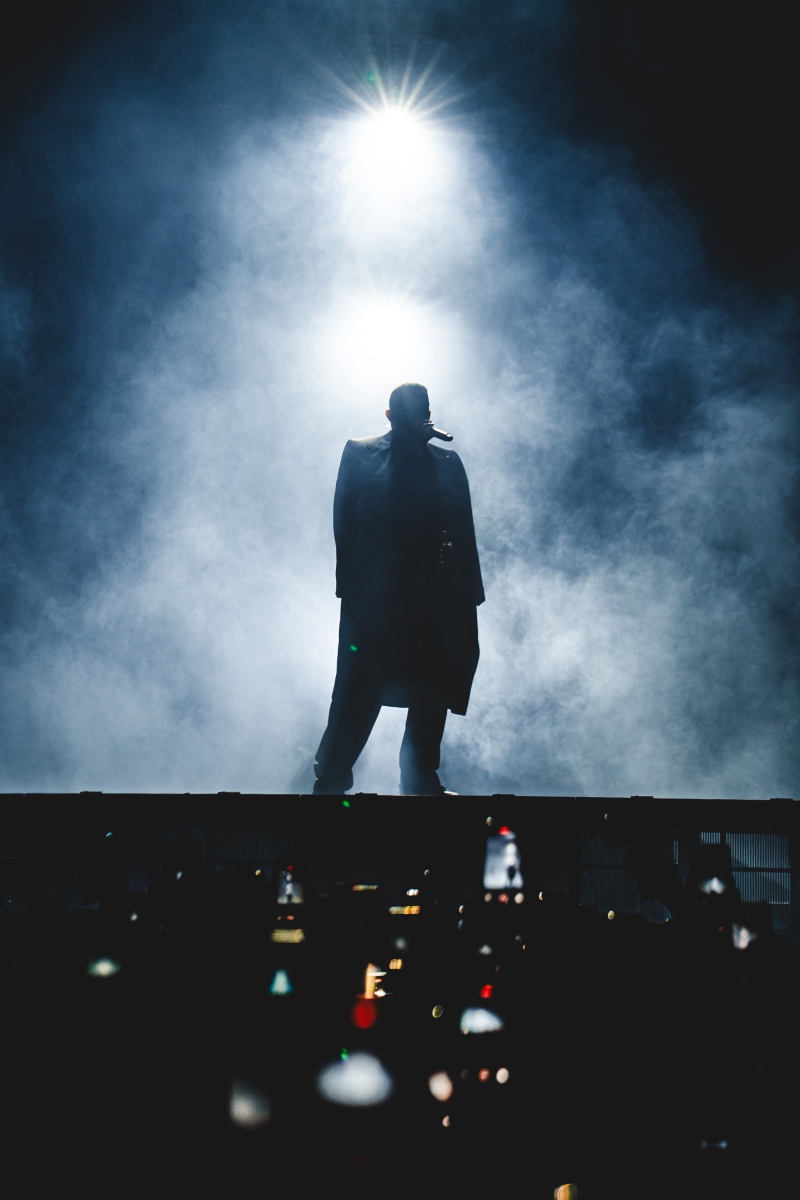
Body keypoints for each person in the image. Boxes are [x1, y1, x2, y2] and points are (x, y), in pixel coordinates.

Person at [313, 382, 484, 795]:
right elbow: (344, 519)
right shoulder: (359, 453)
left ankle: (420, 776)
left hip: (433, 597)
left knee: (433, 683)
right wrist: (351, 588)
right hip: (376, 598)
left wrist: (468, 596)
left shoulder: (446, 462)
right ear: (390, 417)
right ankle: (332, 774)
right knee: (359, 685)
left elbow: (463, 530)